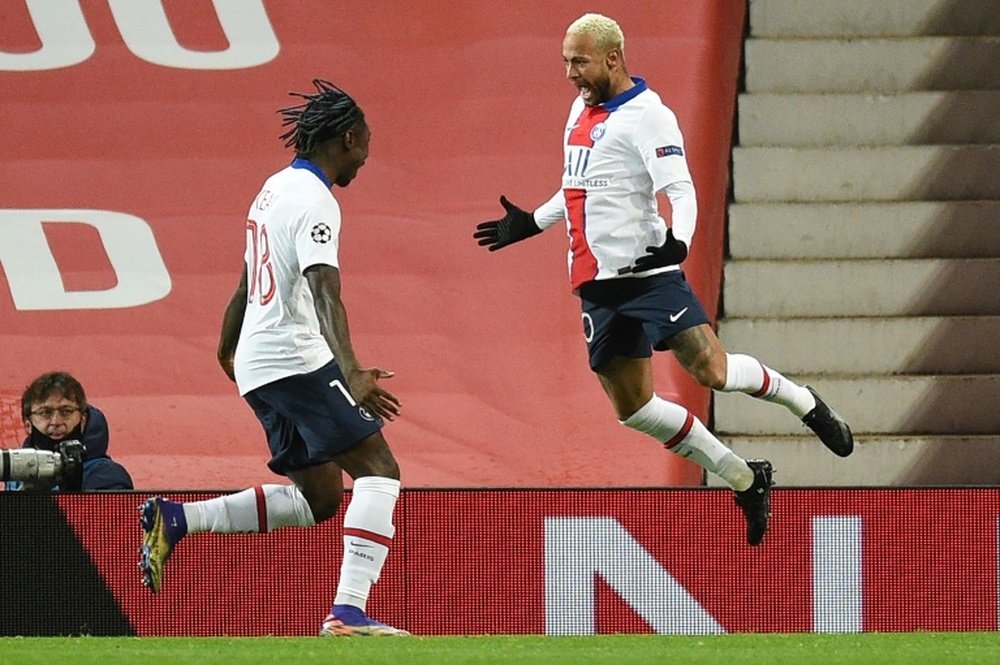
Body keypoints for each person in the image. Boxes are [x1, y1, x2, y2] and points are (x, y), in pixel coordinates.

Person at [473, 13, 854, 546]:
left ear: (612, 58)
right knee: (634, 409)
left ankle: (804, 403)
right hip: (595, 283)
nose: (569, 74)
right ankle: (744, 477)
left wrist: (680, 239)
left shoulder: (650, 116)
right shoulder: (579, 111)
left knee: (711, 369)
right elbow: (579, 185)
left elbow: (680, 188)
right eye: (565, 62)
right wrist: (532, 222)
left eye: (578, 62)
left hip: (649, 272)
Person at [138, 80, 409, 637]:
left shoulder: (271, 189)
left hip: (258, 365)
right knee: (380, 470)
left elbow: (246, 278)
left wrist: (226, 344)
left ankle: (178, 518)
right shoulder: (316, 201)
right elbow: (324, 287)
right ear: (350, 138)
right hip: (294, 358)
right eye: (367, 145)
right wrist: (352, 368)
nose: (367, 156)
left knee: (322, 498)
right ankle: (349, 613)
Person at [4, 371, 133, 492]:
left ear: (83, 420)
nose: (56, 421)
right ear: (28, 424)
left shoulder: (107, 475)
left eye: (66, 412)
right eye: (45, 413)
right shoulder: (15, 473)